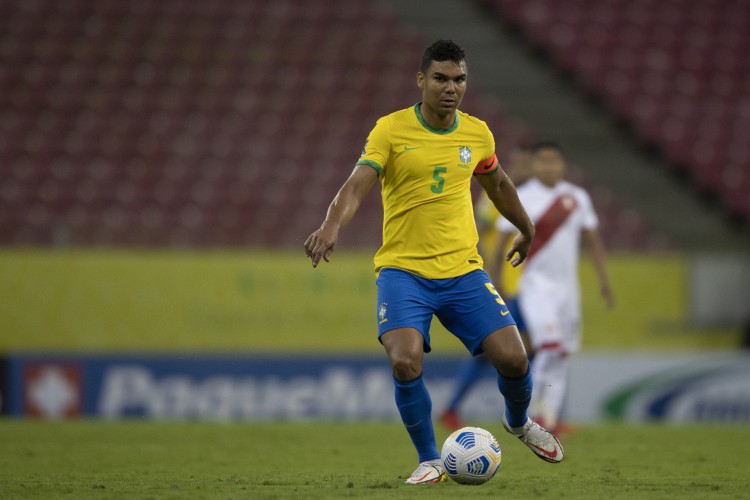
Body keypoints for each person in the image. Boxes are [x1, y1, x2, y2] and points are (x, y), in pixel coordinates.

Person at [305, 40, 564, 485]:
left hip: (462, 270)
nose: (451, 88)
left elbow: (498, 184)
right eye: (441, 78)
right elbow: (356, 185)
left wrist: (527, 228)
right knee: (405, 361)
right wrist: (332, 225)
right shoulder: (391, 130)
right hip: (404, 272)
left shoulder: (477, 133)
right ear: (421, 80)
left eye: (459, 79)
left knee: (515, 360)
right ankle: (431, 460)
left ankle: (519, 423)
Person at [494, 141, 614, 435]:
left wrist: (604, 281)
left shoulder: (577, 197)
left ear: (563, 164)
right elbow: (499, 243)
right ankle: (527, 413)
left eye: (555, 160)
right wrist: (494, 279)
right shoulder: (520, 196)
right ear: (533, 164)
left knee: (562, 352)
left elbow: (592, 240)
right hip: (535, 286)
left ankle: (549, 418)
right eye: (543, 161)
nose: (550, 166)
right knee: (549, 345)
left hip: (567, 290)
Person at [439, 145, 533, 431]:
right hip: (506, 284)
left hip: (526, 285)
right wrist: (491, 275)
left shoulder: (534, 199)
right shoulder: (495, 195)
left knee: (513, 351)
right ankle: (530, 416)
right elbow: (478, 232)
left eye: (527, 164)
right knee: (517, 350)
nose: (523, 169)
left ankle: (453, 408)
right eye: (517, 164)